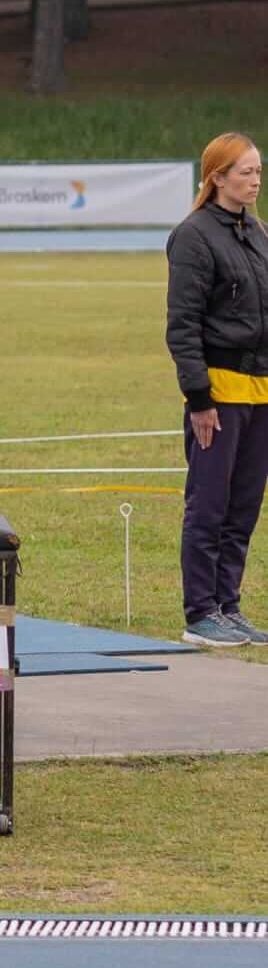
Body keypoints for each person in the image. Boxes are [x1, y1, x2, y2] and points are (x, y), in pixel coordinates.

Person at [166, 131, 268, 647]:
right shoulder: (194, 236)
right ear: (217, 177)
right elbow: (182, 325)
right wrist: (199, 399)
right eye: (245, 172)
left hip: (260, 391)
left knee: (244, 505)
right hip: (219, 392)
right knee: (209, 504)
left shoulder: (258, 231)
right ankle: (200, 612)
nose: (255, 180)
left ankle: (228, 605)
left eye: (258, 171)